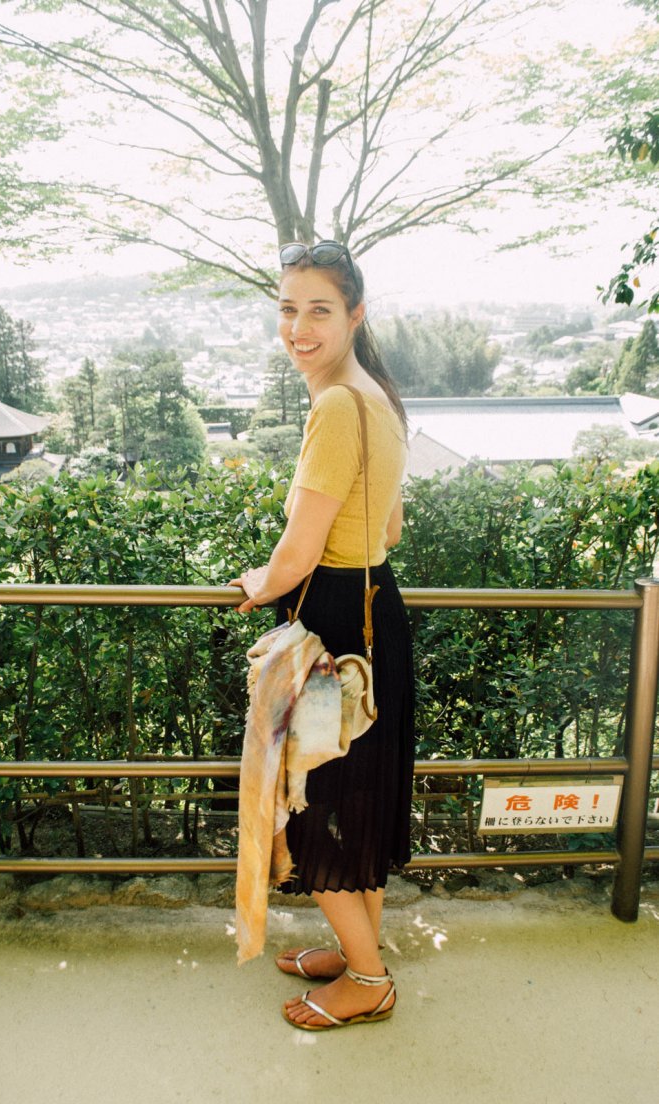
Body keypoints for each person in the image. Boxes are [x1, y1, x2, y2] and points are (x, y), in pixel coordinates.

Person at [230, 240, 415, 1031]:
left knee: (316, 807)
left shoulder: (337, 404)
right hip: (377, 615)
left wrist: (255, 585)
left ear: (355, 314)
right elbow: (391, 527)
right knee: (358, 801)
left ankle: (368, 982)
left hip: (334, 631)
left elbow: (297, 554)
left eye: (319, 310)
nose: (298, 327)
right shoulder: (377, 394)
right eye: (287, 309)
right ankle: (356, 946)